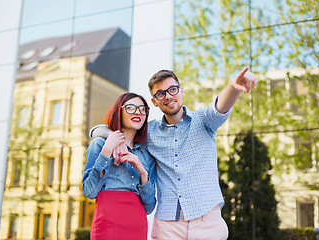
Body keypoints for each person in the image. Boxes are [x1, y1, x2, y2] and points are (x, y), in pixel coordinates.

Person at [90, 67, 257, 239]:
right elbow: (100, 130)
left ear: (181, 91)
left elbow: (220, 106)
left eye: (172, 89)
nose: (168, 96)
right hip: (167, 225)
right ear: (154, 102)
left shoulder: (204, 121)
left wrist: (234, 86)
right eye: (160, 94)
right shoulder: (149, 132)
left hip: (206, 219)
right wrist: (112, 136)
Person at [82, 92, 157, 240]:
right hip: (106, 222)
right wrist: (107, 150)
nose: (137, 112)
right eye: (130, 108)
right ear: (119, 111)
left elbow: (149, 207)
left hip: (137, 224)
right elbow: (89, 192)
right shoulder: (99, 144)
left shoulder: (147, 154)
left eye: (142, 109)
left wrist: (142, 173)